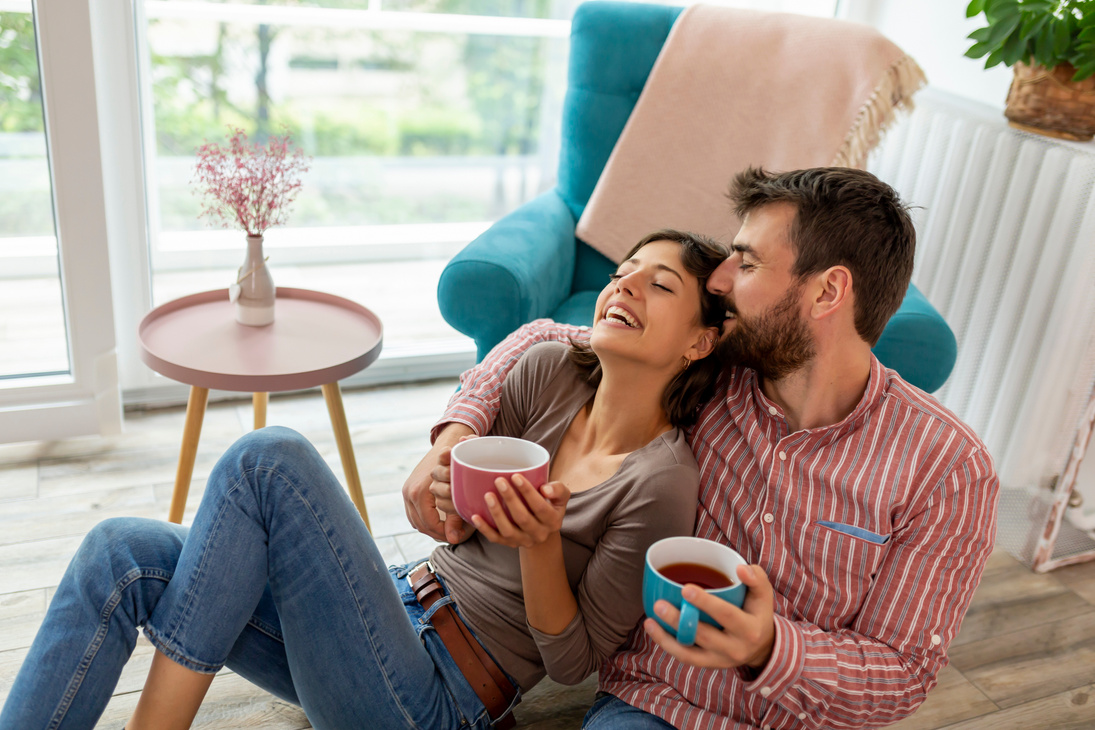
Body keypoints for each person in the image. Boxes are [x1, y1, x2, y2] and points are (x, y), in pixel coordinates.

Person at [0, 230, 728, 730]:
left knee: (269, 458)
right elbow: (457, 524)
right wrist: (447, 497)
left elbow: (572, 664)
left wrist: (540, 548)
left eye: (657, 283)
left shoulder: (661, 483)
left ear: (699, 341)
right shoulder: (547, 375)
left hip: (435, 696)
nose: (623, 284)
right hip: (385, 612)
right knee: (121, 553)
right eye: (619, 272)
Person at [404, 167, 1001, 730]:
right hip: (650, 700)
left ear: (827, 293)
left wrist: (770, 647)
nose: (719, 279)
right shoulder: (709, 375)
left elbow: (904, 672)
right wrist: (456, 431)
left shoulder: (947, 468)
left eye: (746, 262)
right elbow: (553, 337)